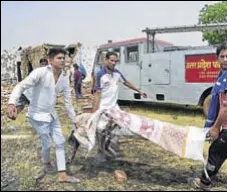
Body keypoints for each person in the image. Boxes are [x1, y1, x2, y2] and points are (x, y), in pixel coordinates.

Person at [7, 48, 80, 183]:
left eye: (64, 58)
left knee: (59, 142)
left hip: (51, 114)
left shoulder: (64, 78)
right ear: (50, 60)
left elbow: (68, 102)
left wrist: (75, 120)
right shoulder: (40, 73)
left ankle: (62, 174)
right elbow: (20, 86)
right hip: (37, 115)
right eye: (59, 58)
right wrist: (12, 103)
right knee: (46, 143)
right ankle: (46, 164)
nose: (63, 60)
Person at [92, 51, 147, 161]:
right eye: (111, 60)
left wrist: (138, 90)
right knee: (101, 130)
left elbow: (126, 82)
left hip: (114, 107)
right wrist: (95, 112)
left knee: (116, 129)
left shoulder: (117, 73)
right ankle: (100, 152)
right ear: (106, 60)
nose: (114, 63)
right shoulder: (100, 75)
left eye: (116, 61)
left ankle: (107, 148)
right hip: (104, 107)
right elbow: (97, 94)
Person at [190, 42, 227, 190]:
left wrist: (215, 128)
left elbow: (225, 107)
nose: (225, 59)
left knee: (216, 151)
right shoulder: (221, 76)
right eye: (222, 56)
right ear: (217, 58)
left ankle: (204, 183)